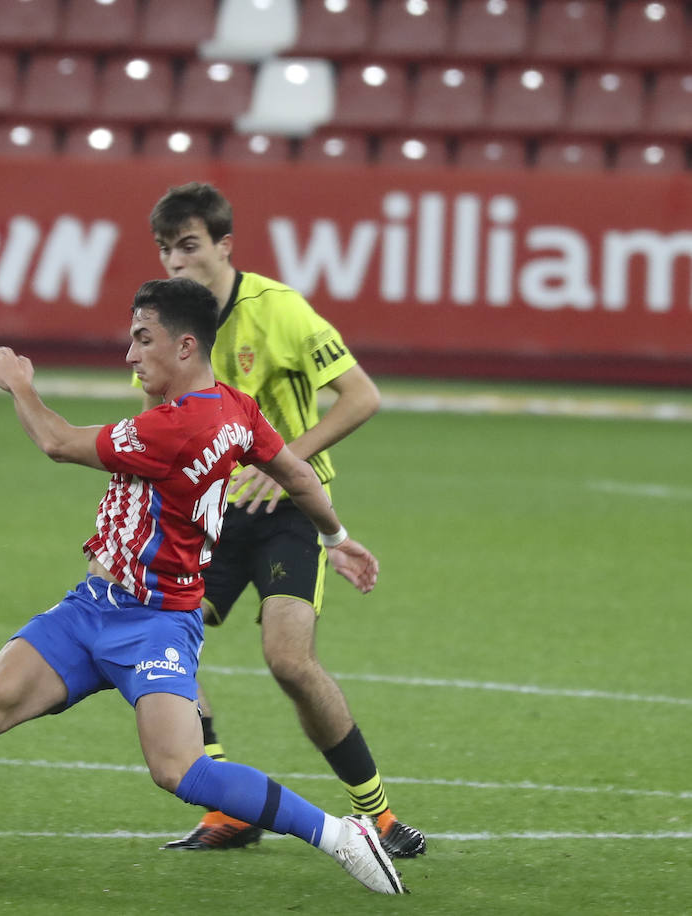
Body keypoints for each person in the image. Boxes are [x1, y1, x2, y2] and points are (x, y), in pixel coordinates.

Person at [0, 277, 406, 895]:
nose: (130, 354)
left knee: (179, 770)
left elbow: (57, 442)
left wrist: (22, 387)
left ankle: (341, 835)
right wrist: (334, 536)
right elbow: (294, 472)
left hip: (155, 622)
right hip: (90, 608)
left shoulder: (180, 427)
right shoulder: (235, 408)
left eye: (142, 339)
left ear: (185, 347)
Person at [146, 182, 425, 858]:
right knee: (158, 640)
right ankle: (229, 807)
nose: (177, 263)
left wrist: (281, 462)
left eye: (189, 247)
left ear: (223, 245)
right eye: (165, 250)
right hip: (210, 514)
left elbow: (362, 397)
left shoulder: (281, 311)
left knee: (289, 661)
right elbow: (160, 424)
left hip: (291, 510)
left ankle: (379, 816)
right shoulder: (164, 323)